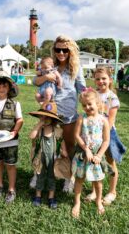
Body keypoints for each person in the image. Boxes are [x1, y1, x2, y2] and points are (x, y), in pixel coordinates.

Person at [33, 35, 86, 192]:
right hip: (50, 113)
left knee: (69, 147)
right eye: (58, 49)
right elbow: (36, 81)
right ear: (54, 50)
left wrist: (94, 103)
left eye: (65, 49)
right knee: (44, 145)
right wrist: (46, 77)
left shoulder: (76, 69)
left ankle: (69, 178)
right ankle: (38, 173)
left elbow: (82, 89)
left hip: (69, 115)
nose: (61, 52)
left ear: (70, 51)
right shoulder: (50, 65)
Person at [85, 67, 126, 205]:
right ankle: (95, 191)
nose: (101, 81)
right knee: (95, 163)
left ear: (110, 80)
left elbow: (110, 121)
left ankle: (112, 192)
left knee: (110, 162)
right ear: (94, 80)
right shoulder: (93, 95)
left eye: (104, 78)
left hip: (108, 134)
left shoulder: (112, 98)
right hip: (93, 134)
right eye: (97, 79)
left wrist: (103, 139)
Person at [71, 88, 110, 218]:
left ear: (98, 104)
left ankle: (99, 201)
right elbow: (77, 135)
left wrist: (99, 155)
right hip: (83, 153)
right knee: (79, 179)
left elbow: (106, 140)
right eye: (84, 105)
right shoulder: (82, 118)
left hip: (97, 155)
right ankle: (77, 202)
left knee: (98, 181)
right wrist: (86, 149)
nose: (87, 107)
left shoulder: (104, 120)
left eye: (90, 104)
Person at [0, 71, 23, 203]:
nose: (1, 89)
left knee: (10, 165)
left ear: (9, 88)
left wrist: (14, 131)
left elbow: (19, 120)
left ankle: (11, 189)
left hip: (10, 141)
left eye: (4, 86)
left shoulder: (15, 104)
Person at [29, 101, 67, 209]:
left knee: (51, 176)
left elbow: (62, 141)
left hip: (53, 158)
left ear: (53, 119)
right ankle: (38, 195)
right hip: (40, 158)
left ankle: (51, 196)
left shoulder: (57, 131)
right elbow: (31, 136)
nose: (44, 119)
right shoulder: (39, 130)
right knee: (40, 175)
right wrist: (38, 125)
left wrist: (64, 150)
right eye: (43, 116)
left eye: (47, 117)